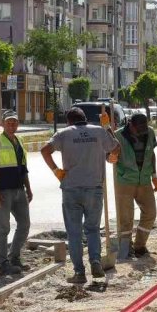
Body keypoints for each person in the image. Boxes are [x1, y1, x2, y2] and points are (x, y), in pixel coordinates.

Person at [41, 107, 120, 284]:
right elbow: (116, 147)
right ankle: (96, 262)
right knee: (92, 229)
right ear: (85, 118)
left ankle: (79, 272)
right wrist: (107, 128)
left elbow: (44, 150)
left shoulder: (64, 133)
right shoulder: (99, 131)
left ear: (69, 121)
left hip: (71, 189)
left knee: (74, 233)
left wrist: (56, 171)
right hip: (94, 188)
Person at [113, 112, 157, 260]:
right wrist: (111, 156)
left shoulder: (150, 132)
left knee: (150, 213)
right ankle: (125, 248)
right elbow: (109, 156)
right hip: (125, 181)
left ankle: (139, 246)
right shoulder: (118, 136)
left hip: (144, 180)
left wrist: (154, 176)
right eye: (138, 129)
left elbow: (151, 154)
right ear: (131, 125)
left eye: (143, 129)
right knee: (126, 218)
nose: (141, 132)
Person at [0, 112, 33, 276]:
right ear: (2, 124)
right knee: (3, 228)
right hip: (2, 191)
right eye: (9, 122)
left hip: (19, 190)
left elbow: (23, 169)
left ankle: (14, 257)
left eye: (15, 122)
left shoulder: (19, 141)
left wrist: (28, 188)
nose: (12, 125)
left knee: (24, 225)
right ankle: (3, 264)